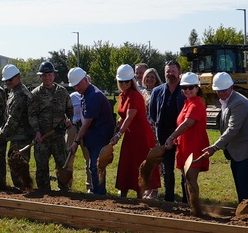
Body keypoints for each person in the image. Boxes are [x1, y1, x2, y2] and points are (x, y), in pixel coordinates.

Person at [200, 72, 248, 200]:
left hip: (247, 151)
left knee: (244, 189)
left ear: (231, 87)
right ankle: (243, 208)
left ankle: (245, 210)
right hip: (237, 151)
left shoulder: (239, 102)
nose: (221, 93)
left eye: (224, 90)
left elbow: (233, 128)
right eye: (218, 91)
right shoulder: (227, 100)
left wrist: (215, 147)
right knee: (240, 187)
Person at [110, 64, 158, 198]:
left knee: (139, 164)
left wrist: (118, 135)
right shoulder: (122, 95)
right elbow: (123, 117)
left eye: (127, 81)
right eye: (121, 81)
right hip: (131, 135)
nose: (124, 84)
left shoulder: (135, 96)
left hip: (141, 136)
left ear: (131, 81)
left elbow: (129, 118)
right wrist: (115, 128)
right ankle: (124, 193)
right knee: (126, 164)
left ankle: (140, 194)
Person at [67, 67, 116, 195]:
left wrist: (76, 142)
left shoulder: (94, 95)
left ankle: (99, 194)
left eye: (78, 85)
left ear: (85, 80)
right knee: (93, 166)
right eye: (74, 86)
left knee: (96, 166)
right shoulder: (86, 94)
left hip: (99, 137)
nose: (76, 88)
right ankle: (97, 192)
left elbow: (87, 123)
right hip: (94, 136)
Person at [164, 72, 210, 204]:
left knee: (190, 178)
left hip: (194, 146)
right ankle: (191, 206)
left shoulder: (197, 104)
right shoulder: (188, 103)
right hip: (185, 146)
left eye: (191, 87)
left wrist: (171, 137)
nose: (187, 90)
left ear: (197, 88)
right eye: (184, 87)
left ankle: (195, 207)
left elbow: (188, 123)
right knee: (187, 179)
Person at [28, 61, 73, 192]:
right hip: (42, 138)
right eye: (44, 75)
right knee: (42, 168)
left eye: (49, 75)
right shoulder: (35, 94)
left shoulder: (62, 92)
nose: (47, 78)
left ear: (54, 75)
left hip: (58, 136)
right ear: (40, 76)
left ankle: (64, 191)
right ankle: (45, 193)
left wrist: (69, 120)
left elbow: (70, 110)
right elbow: (32, 115)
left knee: (62, 165)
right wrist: (36, 131)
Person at [148, 60, 187, 202]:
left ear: (179, 73)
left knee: (184, 167)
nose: (170, 74)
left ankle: (186, 198)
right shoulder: (157, 91)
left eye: (173, 71)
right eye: (167, 72)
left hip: (182, 135)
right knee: (167, 168)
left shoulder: (186, 90)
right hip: (164, 134)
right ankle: (169, 197)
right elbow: (153, 113)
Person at [0, 64, 33, 189]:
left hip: (22, 136)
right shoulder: (14, 91)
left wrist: (2, 134)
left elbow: (13, 119)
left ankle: (24, 190)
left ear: (18, 77)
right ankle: (21, 190)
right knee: (14, 163)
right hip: (16, 135)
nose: (7, 83)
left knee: (19, 165)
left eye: (10, 80)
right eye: (5, 80)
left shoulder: (20, 94)